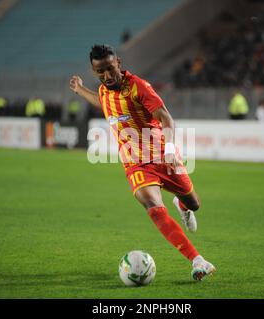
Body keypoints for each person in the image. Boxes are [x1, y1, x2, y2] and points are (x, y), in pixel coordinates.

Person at [69, 44, 215, 281]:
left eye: (110, 69)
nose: (106, 76)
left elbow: (165, 117)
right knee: (154, 207)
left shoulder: (138, 86)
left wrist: (168, 150)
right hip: (135, 164)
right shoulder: (105, 90)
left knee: (194, 202)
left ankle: (183, 206)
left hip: (162, 155)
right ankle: (198, 260)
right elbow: (102, 102)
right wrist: (80, 89)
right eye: (100, 72)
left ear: (119, 63)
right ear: (94, 71)